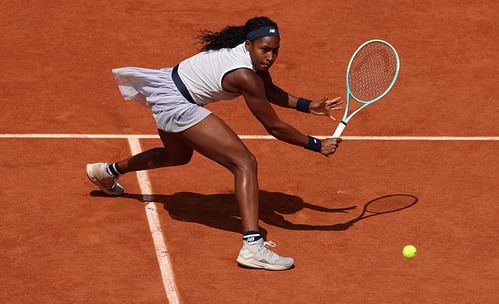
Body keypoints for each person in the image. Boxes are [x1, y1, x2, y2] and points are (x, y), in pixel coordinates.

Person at [86, 16, 342, 271]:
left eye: (275, 50)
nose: (271, 56)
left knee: (176, 156)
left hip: (167, 91)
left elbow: (269, 90)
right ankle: (252, 247)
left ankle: (106, 172)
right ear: (249, 45)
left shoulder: (246, 59)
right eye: (265, 49)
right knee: (244, 163)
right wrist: (316, 144)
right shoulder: (244, 75)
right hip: (177, 103)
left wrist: (309, 106)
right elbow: (274, 126)